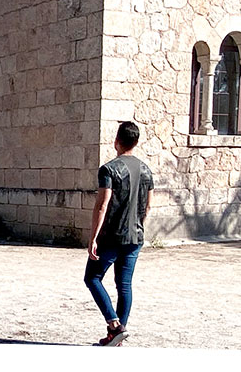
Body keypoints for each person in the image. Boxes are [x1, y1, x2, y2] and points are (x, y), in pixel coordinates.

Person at [83, 121, 152, 347]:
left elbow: (102, 205)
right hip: (135, 237)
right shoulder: (146, 170)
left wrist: (93, 236)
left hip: (112, 236)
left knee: (92, 278)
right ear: (136, 142)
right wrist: (138, 226)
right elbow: (148, 207)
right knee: (124, 285)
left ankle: (114, 324)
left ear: (117, 141)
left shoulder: (109, 169)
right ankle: (117, 336)